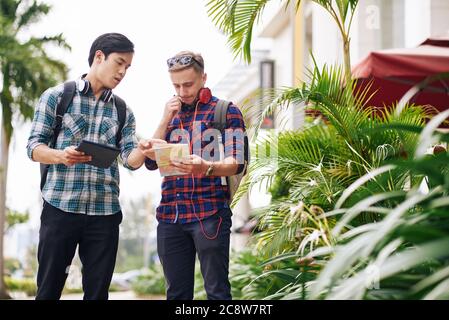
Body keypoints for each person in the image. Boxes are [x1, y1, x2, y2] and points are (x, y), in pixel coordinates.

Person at [26, 33, 163, 300]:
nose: (123, 72)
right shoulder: (57, 97)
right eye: (119, 63)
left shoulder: (123, 111)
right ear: (99, 56)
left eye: (128, 67)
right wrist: (60, 155)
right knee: (48, 290)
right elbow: (33, 147)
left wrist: (142, 150)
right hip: (59, 208)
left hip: (105, 214)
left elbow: (129, 161)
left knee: (98, 294)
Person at [143, 51, 246, 300]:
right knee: (176, 295)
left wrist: (206, 167)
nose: (182, 91)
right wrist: (165, 118)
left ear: (203, 78)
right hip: (170, 216)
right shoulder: (170, 115)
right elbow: (149, 161)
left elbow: (237, 162)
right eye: (176, 85)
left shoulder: (226, 111)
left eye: (188, 84)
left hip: (210, 213)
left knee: (217, 292)